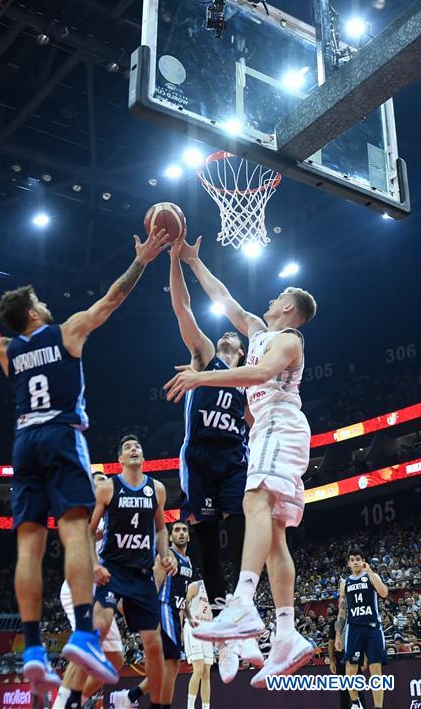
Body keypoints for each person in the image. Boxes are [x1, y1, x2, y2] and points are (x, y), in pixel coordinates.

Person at [0, 227, 171, 689]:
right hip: (62, 436)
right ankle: (84, 633)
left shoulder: (8, 349)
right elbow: (111, 299)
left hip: (23, 444)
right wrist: (143, 259)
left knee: (29, 546)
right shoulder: (66, 333)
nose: (46, 303)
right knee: (75, 536)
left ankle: (30, 646)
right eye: (40, 301)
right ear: (32, 312)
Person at [165, 237, 317, 686]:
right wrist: (192, 261)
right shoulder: (257, 329)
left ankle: (243, 603)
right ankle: (287, 633)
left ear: (289, 308)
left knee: (253, 503)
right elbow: (222, 297)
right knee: (273, 538)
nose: (270, 299)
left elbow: (259, 374)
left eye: (278, 297)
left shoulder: (288, 339)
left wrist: (200, 377)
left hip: (279, 426)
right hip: (270, 430)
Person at [165, 242, 261, 682]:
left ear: (241, 350)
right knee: (204, 532)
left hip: (233, 457)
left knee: (241, 519)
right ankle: (221, 611)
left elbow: (258, 417)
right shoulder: (204, 356)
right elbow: (183, 308)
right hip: (200, 455)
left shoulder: (245, 378)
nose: (229, 337)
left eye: (234, 339)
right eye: (227, 335)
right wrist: (174, 260)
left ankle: (241, 603)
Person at [92, 435, 177, 709]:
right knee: (100, 626)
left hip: (142, 575)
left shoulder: (157, 489)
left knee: (154, 645)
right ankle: (73, 693)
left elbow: (162, 528)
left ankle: (154, 705)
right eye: (128, 448)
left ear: (143, 456)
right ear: (120, 460)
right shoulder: (107, 488)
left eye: (138, 446)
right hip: (113, 570)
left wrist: (164, 554)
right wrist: (95, 564)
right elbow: (87, 530)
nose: (134, 449)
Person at [54, 471, 124, 709]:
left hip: (103, 592)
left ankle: (77, 701)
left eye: (104, 481)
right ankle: (61, 705)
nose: (101, 485)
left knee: (116, 659)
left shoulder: (115, 513)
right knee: (87, 644)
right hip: (79, 587)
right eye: (96, 482)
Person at [113, 520, 193, 709]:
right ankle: (140, 699)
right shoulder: (167, 557)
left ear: (189, 536)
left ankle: (130, 697)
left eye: (184, 530)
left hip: (175, 614)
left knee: (170, 665)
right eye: (176, 530)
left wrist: (189, 617)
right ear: (171, 536)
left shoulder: (187, 561)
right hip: (163, 610)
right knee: (171, 662)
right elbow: (154, 587)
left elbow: (182, 592)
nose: (181, 533)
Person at [335, 549, 388, 709]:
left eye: (358, 559)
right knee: (350, 669)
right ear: (349, 563)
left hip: (372, 627)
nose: (356, 561)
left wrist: (370, 571)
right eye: (352, 559)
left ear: (363, 560)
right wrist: (338, 634)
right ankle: (356, 703)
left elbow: (384, 593)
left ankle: (378, 707)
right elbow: (342, 610)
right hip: (354, 628)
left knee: (376, 670)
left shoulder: (371, 576)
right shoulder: (344, 583)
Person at [184, 579, 214, 709]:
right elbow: (182, 605)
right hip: (193, 627)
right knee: (199, 668)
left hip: (207, 630)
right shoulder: (196, 586)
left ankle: (206, 707)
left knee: (206, 672)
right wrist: (181, 627)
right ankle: (190, 707)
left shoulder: (217, 592)